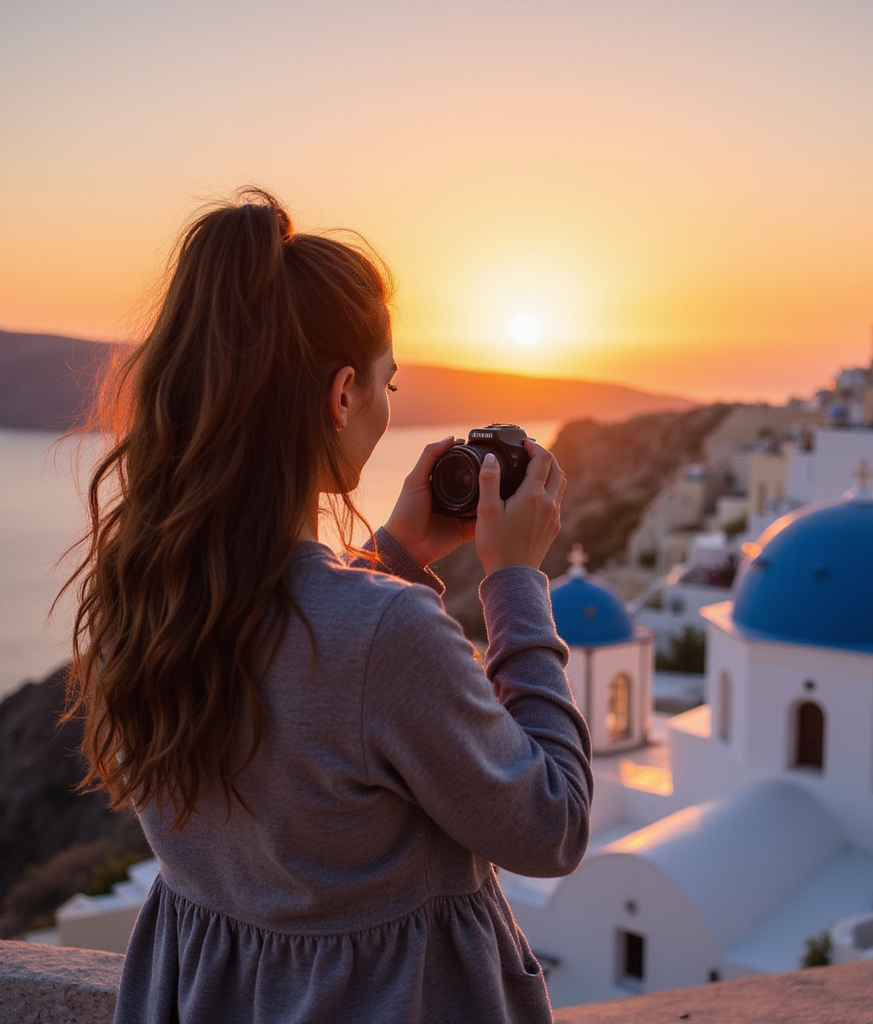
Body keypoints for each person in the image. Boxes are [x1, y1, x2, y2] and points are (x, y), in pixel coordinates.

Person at [63, 188, 592, 1023]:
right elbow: (551, 826)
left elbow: (303, 704)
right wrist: (515, 581)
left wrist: (392, 558)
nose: (387, 404)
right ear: (342, 394)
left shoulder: (145, 586)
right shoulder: (385, 635)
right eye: (388, 381)